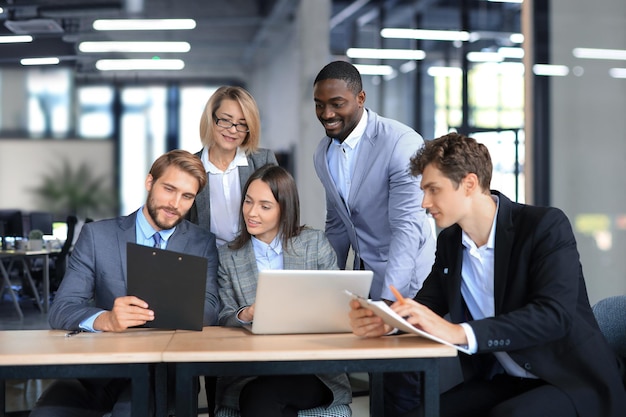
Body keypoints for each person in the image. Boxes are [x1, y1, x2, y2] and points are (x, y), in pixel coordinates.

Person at [349, 132, 626, 417]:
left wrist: (459, 332)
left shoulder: (544, 226)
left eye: (433, 190)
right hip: (508, 381)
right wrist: (388, 321)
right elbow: (426, 305)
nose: (424, 203)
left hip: (572, 381)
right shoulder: (450, 242)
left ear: (469, 183)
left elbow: (553, 315)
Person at [30, 149, 220, 417]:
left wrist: (164, 310)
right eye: (169, 189)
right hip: (99, 370)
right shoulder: (98, 236)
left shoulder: (202, 243)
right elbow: (62, 308)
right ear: (149, 182)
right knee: (48, 413)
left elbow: (210, 307)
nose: (175, 203)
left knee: (130, 410)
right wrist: (105, 319)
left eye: (186, 196)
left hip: (161, 372)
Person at [312, 60, 435, 416]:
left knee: (405, 389)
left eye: (337, 103)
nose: (327, 113)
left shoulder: (401, 143)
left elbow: (406, 231)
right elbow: (337, 226)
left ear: (360, 98)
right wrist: (324, 290)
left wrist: (389, 307)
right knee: (379, 384)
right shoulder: (323, 153)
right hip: (365, 276)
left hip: (408, 280)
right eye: (319, 104)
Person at [215, 164, 352, 417]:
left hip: (311, 371)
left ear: (284, 210)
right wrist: (247, 313)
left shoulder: (313, 243)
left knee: (262, 397)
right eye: (248, 202)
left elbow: (339, 308)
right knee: (266, 398)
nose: (252, 213)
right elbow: (223, 315)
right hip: (250, 372)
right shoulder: (228, 257)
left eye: (265, 206)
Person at [187, 85, 278, 246]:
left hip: (254, 255)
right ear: (211, 119)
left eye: (242, 124)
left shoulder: (263, 161)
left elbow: (281, 211)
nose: (233, 130)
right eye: (226, 120)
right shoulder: (190, 168)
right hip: (207, 258)